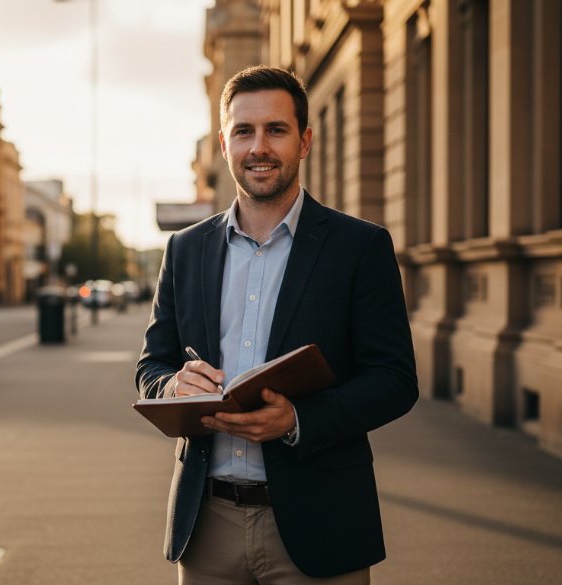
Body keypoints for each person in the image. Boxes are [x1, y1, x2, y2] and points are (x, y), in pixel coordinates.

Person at [135, 65, 418, 584]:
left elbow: (396, 380)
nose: (258, 146)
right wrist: (173, 386)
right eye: (244, 131)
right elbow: (152, 365)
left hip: (322, 521)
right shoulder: (184, 249)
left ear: (304, 141)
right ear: (225, 144)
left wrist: (297, 421)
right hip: (207, 525)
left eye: (276, 129)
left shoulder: (360, 247)